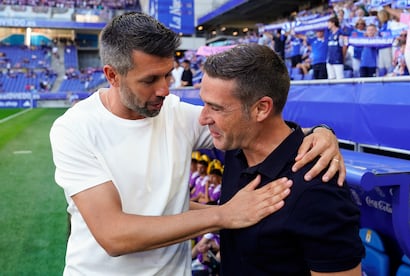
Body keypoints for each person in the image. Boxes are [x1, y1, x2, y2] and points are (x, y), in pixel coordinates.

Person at [50, 12, 345, 276]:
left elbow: (256, 125)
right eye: (150, 79)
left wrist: (321, 132)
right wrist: (223, 215)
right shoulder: (75, 129)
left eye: (168, 74)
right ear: (112, 75)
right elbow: (114, 235)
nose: (165, 89)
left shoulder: (174, 113)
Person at [198, 43, 364, 275]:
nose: (203, 118)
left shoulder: (316, 188)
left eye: (215, 108)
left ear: (261, 109)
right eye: (204, 103)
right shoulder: (236, 151)